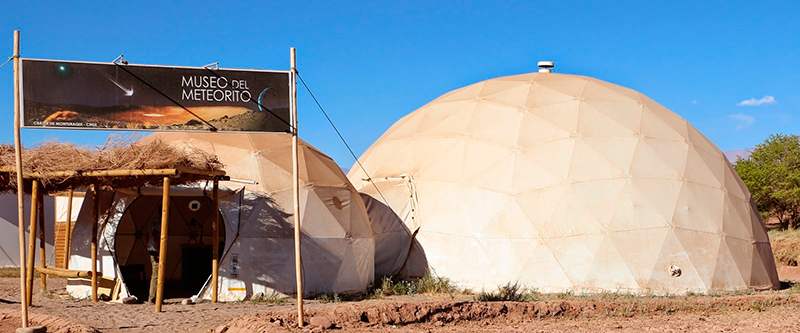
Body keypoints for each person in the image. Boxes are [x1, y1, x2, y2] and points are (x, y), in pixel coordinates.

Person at [147, 206, 162, 303]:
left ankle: (156, 296)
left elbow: (147, 235)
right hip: (155, 250)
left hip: (152, 249)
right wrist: (159, 250)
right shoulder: (159, 223)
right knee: (156, 274)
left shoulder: (155, 222)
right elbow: (155, 235)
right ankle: (152, 298)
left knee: (157, 273)